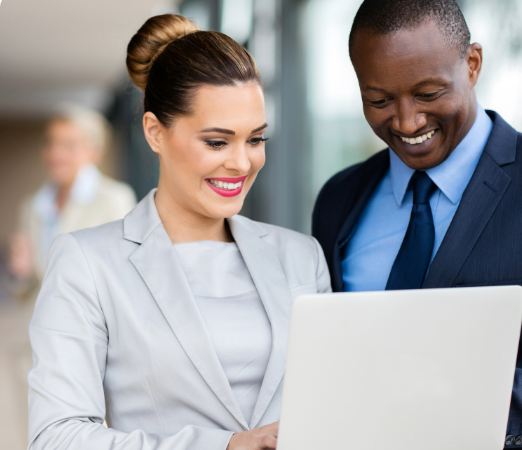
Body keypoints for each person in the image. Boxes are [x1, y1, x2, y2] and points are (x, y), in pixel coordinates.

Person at [311, 0, 522, 448]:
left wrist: (466, 399)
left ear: (473, 63)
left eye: (428, 93)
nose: (407, 121)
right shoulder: (339, 200)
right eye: (378, 100)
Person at [27, 14, 331, 450]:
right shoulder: (87, 263)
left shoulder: (302, 257)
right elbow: (57, 437)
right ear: (154, 132)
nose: (242, 163)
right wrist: (224, 446)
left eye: (255, 139)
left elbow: (330, 404)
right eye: (216, 142)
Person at [8, 106, 137, 298]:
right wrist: (21, 274)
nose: (55, 154)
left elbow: (126, 274)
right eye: (49, 143)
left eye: (69, 145)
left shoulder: (114, 199)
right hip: (43, 325)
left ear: (95, 152)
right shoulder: (32, 206)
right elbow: (27, 292)